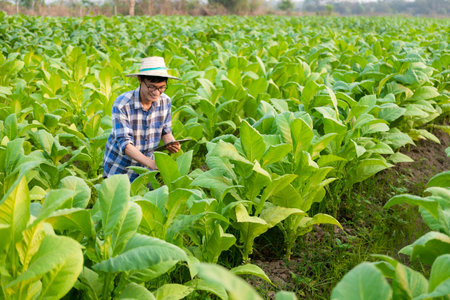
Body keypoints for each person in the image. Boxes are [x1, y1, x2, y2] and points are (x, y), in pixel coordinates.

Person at [103, 56, 181, 182]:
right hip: (120, 168)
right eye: (152, 87)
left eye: (161, 87)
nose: (156, 93)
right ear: (140, 79)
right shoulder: (122, 104)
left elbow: (165, 131)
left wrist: (170, 143)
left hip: (147, 170)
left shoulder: (165, 101)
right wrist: (152, 164)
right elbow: (125, 144)